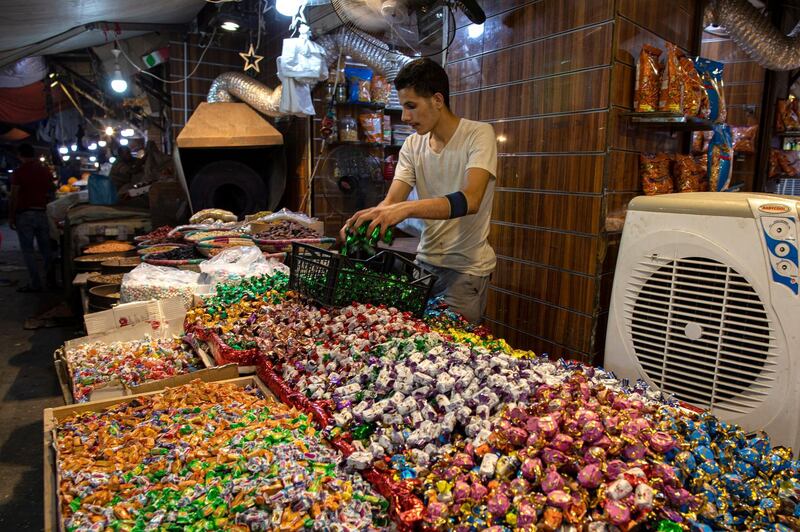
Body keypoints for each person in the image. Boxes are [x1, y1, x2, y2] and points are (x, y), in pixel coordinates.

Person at [341, 58, 498, 323]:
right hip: (423, 267)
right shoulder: (413, 145)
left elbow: (470, 200)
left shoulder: (478, 134)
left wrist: (405, 209)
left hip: (464, 272)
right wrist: (363, 220)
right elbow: (391, 202)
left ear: (437, 100)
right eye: (403, 107)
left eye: (411, 106)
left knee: (453, 356)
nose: (405, 117)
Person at [9, 143, 55, 292]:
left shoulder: (19, 172)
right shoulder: (44, 171)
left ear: (20, 155)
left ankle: (35, 283)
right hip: (41, 213)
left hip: (25, 214)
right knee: (46, 249)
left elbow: (14, 195)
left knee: (28, 250)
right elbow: (51, 191)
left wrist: (11, 216)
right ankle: (51, 281)